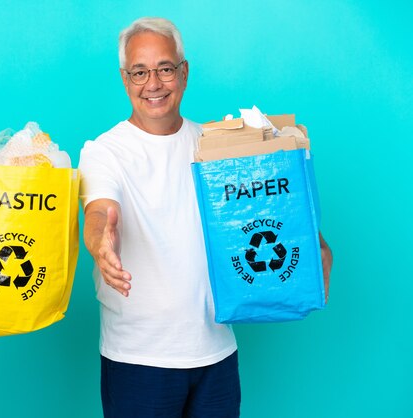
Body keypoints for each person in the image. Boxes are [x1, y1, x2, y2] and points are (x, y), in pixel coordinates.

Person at [79, 17, 333, 418]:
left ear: (184, 72)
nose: (153, 84)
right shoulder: (105, 151)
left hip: (216, 350)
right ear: (125, 79)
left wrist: (311, 240)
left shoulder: (216, 147)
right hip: (138, 357)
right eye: (139, 72)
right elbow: (99, 211)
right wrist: (100, 243)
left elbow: (266, 210)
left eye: (164, 68)